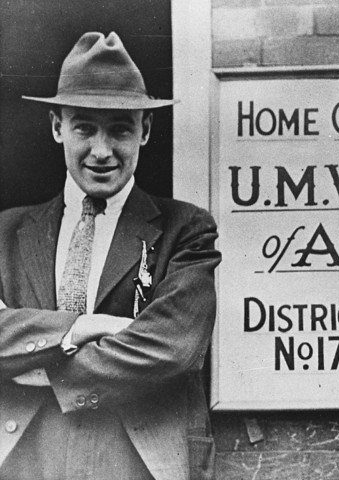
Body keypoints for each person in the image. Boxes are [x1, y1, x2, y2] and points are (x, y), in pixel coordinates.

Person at [0, 32, 220, 480]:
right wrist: (82, 326)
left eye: (120, 128)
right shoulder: (6, 231)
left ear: (146, 131)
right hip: (25, 456)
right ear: (57, 126)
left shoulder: (186, 230)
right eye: (84, 127)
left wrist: (39, 366)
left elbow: (173, 347)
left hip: (138, 459)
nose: (102, 151)